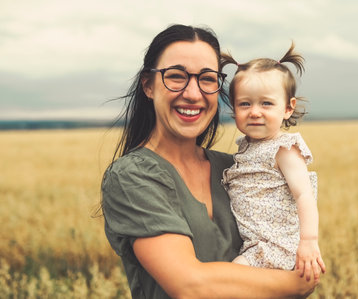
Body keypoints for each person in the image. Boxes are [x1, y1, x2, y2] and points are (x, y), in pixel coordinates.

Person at [101, 24, 318, 299]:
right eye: (176, 76)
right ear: (148, 85)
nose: (193, 94)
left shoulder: (235, 170)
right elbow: (190, 286)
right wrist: (296, 284)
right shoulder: (132, 177)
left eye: (207, 79)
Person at [221, 44, 326, 282]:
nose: (255, 112)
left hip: (275, 247)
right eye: (245, 104)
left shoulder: (284, 149)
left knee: (228, 280)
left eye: (266, 104)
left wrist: (309, 242)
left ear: (288, 108)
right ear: (234, 108)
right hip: (254, 243)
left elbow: (304, 196)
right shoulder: (246, 147)